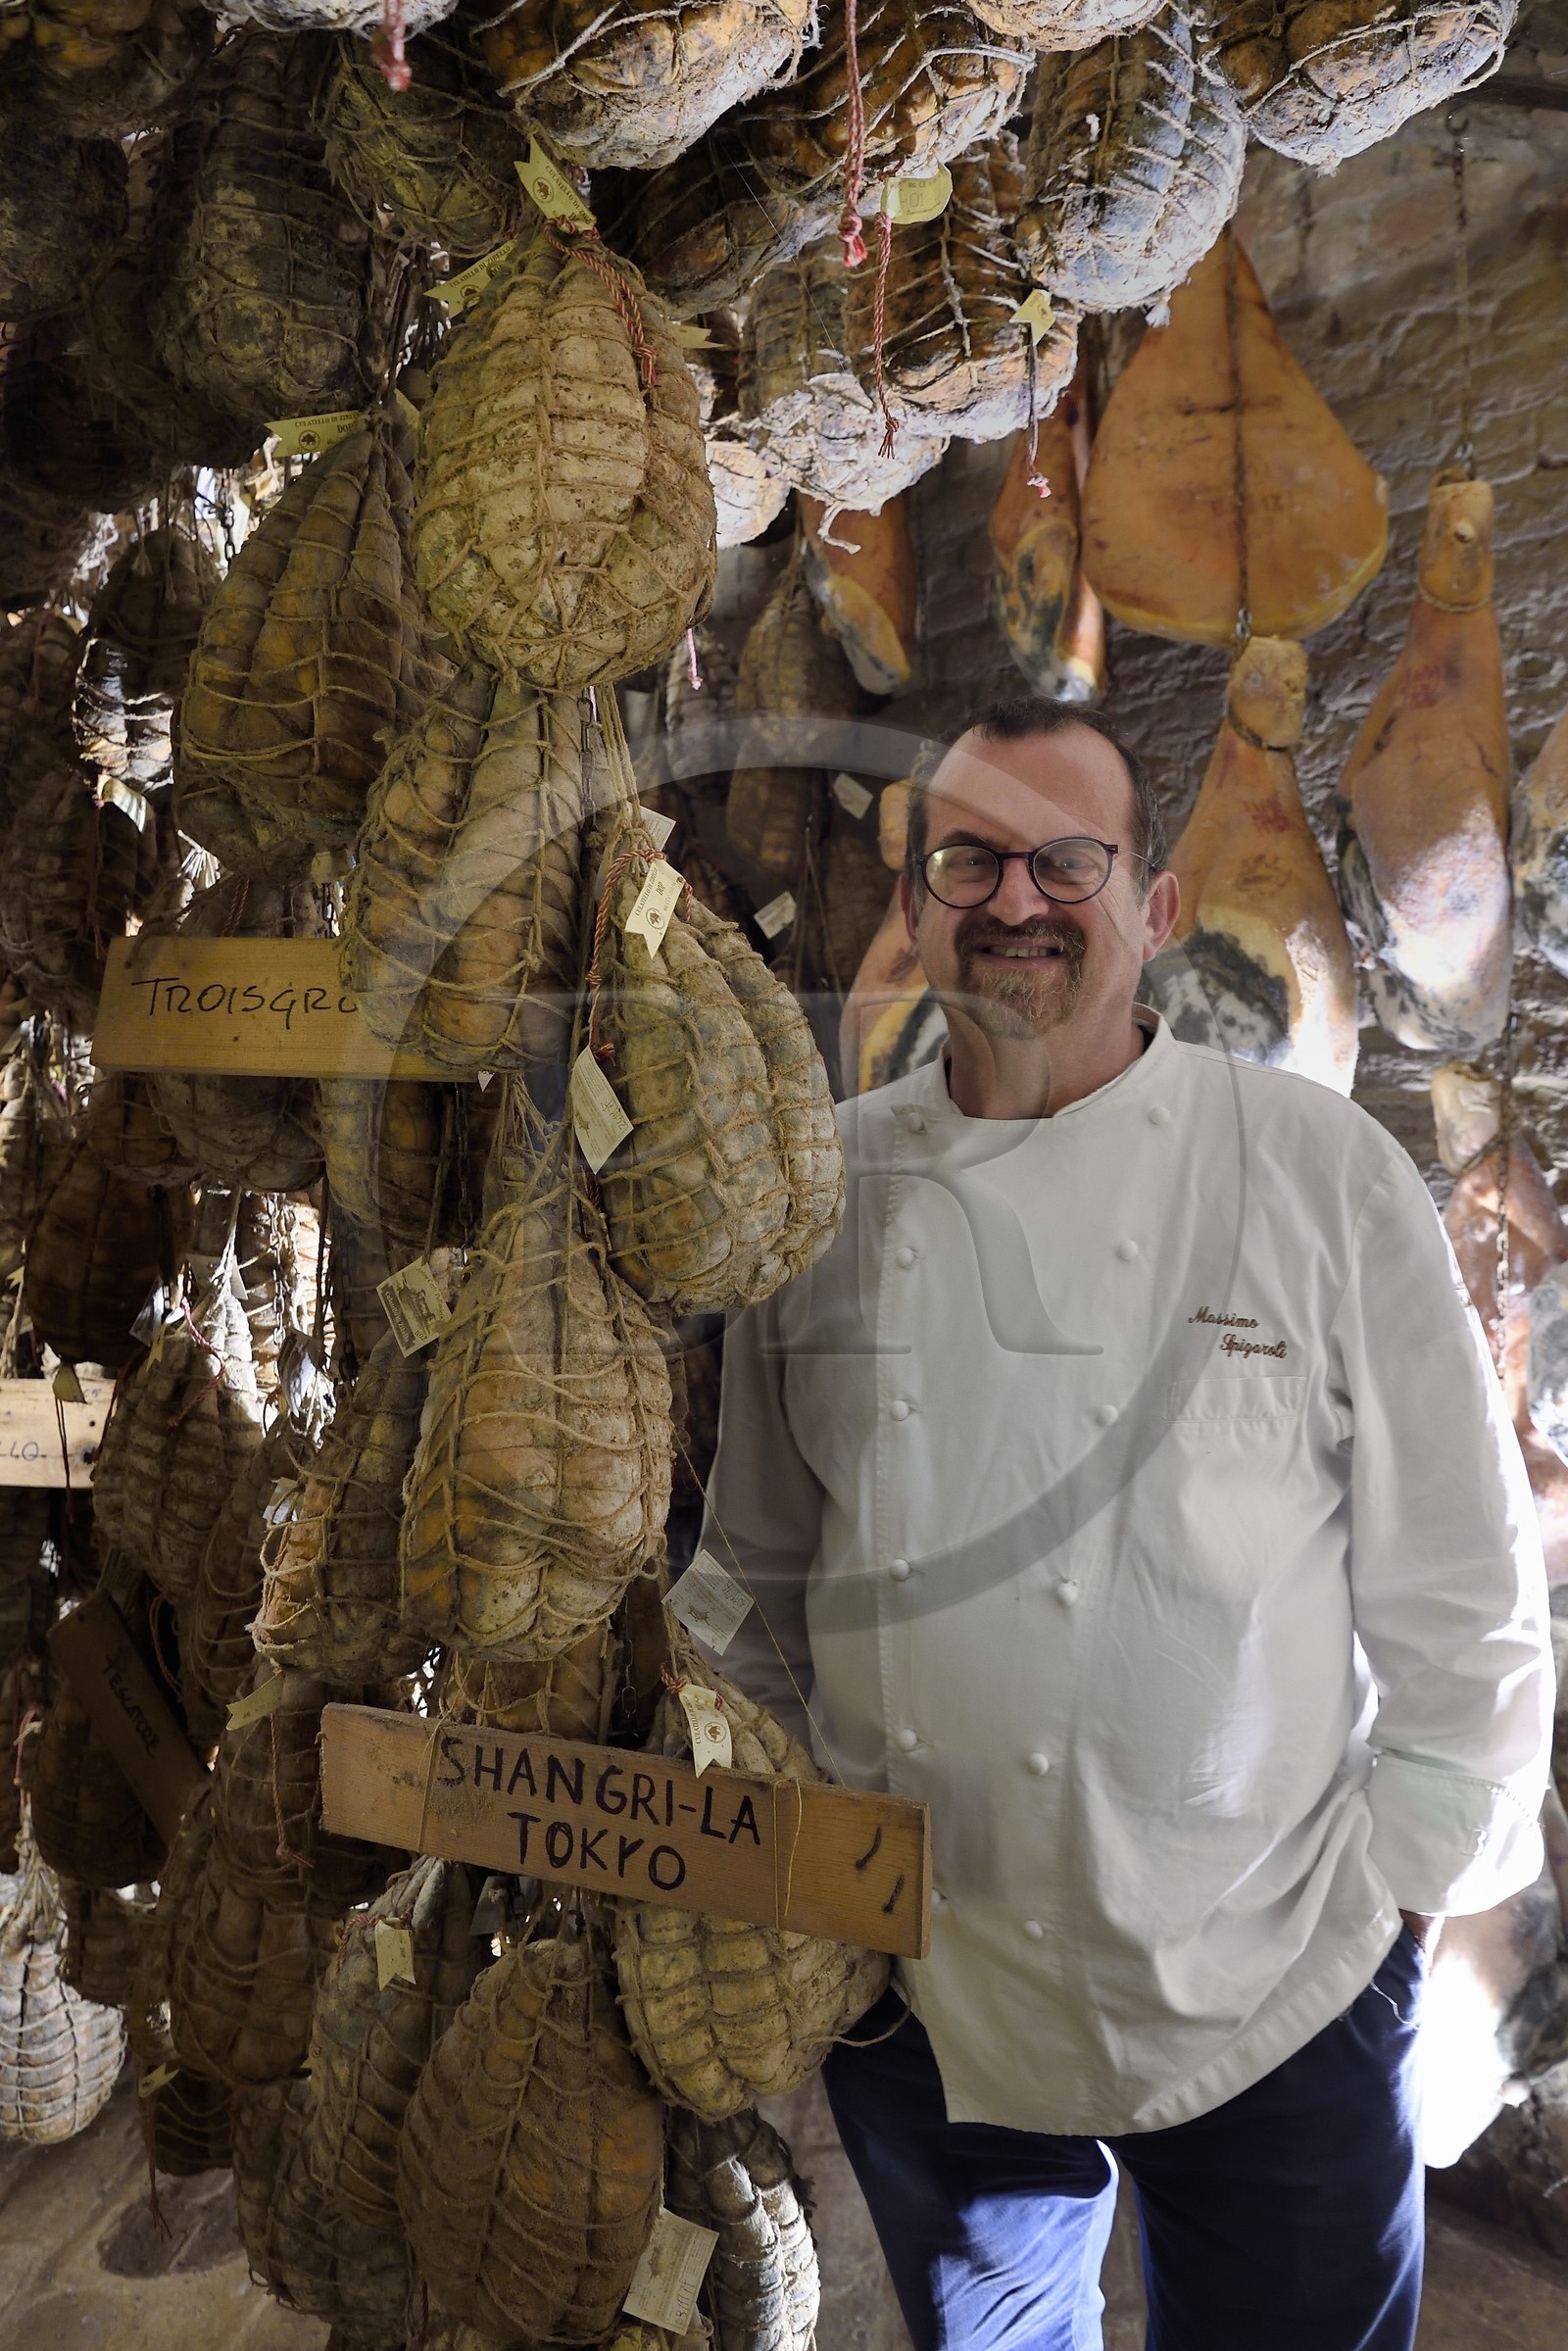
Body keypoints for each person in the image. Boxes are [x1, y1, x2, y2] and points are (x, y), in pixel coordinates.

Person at [698, 698, 1554, 2351]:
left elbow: (1463, 1579)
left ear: (1154, 908)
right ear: (917, 904)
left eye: (1066, 860)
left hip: (1279, 1977)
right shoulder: (819, 1196)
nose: (1016, 899)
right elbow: (759, 1574)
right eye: (969, 861)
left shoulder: (1318, 1173)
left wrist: (1406, 1909)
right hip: (928, 1989)